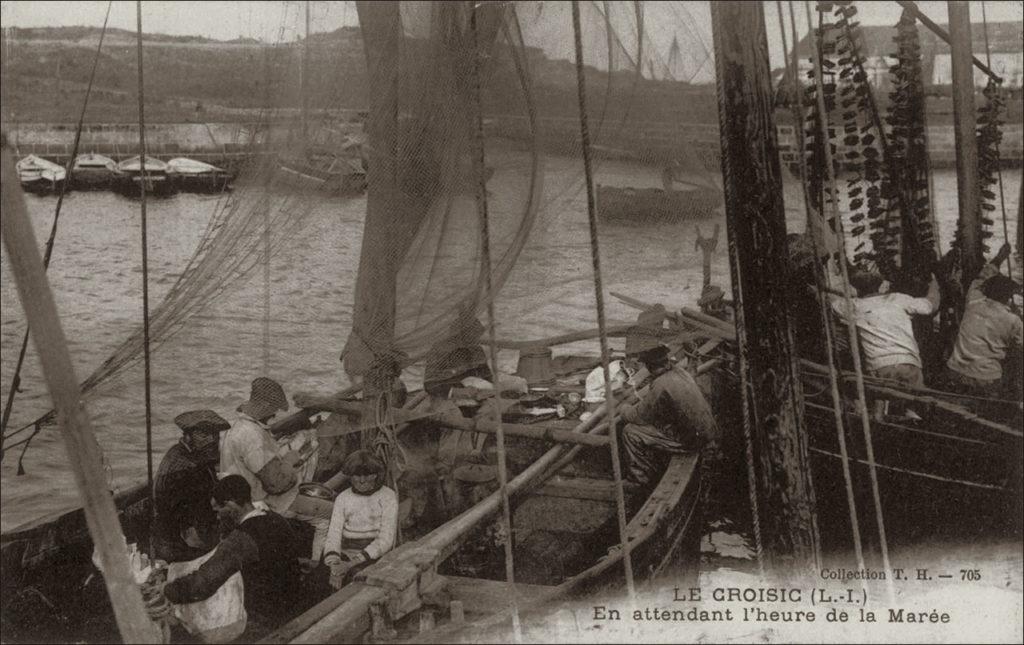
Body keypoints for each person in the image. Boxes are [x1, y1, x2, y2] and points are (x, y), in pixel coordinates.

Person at [151, 475, 305, 630]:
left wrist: (167, 589)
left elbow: (202, 583)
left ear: (231, 505)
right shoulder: (276, 519)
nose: (217, 517)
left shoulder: (243, 537)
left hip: (265, 617)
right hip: (291, 600)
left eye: (218, 510)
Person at [220, 377, 333, 561]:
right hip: (268, 503)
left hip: (246, 497)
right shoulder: (251, 436)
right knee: (330, 513)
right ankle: (316, 565)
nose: (274, 415)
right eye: (273, 409)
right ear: (264, 405)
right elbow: (276, 485)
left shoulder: (239, 427)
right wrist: (289, 461)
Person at [617, 326, 719, 487]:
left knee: (630, 431)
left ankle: (639, 479)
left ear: (649, 366)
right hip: (706, 434)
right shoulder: (680, 372)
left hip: (691, 442)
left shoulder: (660, 384)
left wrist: (623, 408)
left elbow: (639, 417)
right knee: (657, 424)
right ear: (667, 361)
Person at [828, 265, 940, 391]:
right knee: (914, 402)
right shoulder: (898, 298)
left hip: (879, 366)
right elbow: (931, 305)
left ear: (855, 289)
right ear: (881, 286)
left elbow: (826, 301)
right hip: (908, 363)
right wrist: (934, 284)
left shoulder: (854, 306)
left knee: (885, 404)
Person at [945, 243, 1023, 397]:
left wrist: (1000, 256)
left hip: (955, 370)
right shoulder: (1013, 321)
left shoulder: (973, 301)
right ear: (1007, 298)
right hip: (986, 379)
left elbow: (982, 277)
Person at [153, 410, 231, 564]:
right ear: (188, 436)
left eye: (215, 434)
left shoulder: (177, 451)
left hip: (169, 532)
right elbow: (203, 517)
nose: (212, 439)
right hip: (180, 542)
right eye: (204, 434)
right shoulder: (190, 469)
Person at [323, 450, 399, 590]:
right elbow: (333, 534)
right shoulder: (343, 498)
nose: (362, 480)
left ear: (376, 474)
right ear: (350, 476)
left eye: (368, 475)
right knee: (320, 578)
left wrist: (349, 565)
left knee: (359, 582)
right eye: (357, 475)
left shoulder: (388, 496)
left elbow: (385, 540)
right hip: (344, 555)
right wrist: (334, 565)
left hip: (374, 556)